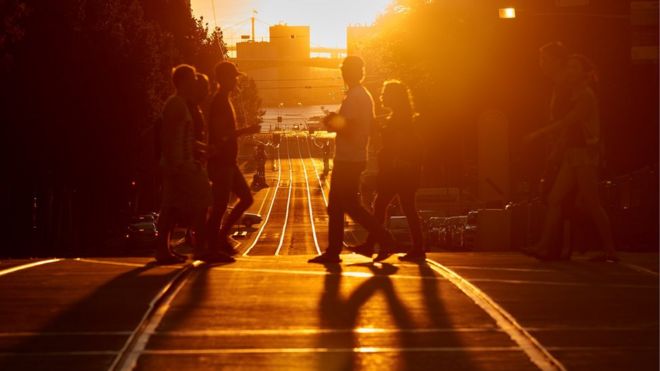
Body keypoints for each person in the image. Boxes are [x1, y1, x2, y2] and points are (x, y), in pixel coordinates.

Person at [526, 53, 618, 262]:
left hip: (585, 156)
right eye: (569, 67)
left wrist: (538, 134)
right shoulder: (573, 94)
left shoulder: (586, 95)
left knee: (593, 203)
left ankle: (611, 250)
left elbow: (569, 121)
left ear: (584, 73)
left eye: (575, 68)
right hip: (572, 155)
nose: (570, 71)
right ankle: (543, 245)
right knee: (554, 198)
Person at [308, 56, 396, 264]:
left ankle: (383, 239)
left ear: (349, 73)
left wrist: (331, 122)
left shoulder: (356, 96)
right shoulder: (362, 96)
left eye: (346, 70)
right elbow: (362, 125)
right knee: (338, 205)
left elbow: (352, 126)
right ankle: (335, 250)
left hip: (349, 158)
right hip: (353, 156)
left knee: (347, 204)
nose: (344, 74)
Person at [352, 80, 426, 262]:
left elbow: (397, 141)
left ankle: (378, 244)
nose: (382, 96)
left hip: (397, 171)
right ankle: (414, 247)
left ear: (394, 97)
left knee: (384, 205)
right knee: (402, 207)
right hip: (403, 171)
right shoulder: (402, 116)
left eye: (385, 94)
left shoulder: (400, 118)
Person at [156, 65, 215, 264]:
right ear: (182, 82)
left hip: (177, 163)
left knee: (170, 207)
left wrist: (203, 147)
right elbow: (168, 137)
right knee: (204, 198)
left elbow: (183, 138)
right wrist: (176, 165)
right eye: (191, 79)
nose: (195, 82)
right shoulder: (176, 105)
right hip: (182, 165)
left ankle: (163, 250)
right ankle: (200, 248)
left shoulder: (179, 103)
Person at [207, 61, 261, 256]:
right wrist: (248, 130)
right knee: (220, 205)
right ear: (223, 79)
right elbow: (223, 134)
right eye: (233, 77)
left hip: (228, 161)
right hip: (221, 161)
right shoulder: (220, 101)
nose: (236, 81)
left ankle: (220, 238)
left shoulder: (223, 99)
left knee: (244, 198)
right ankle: (213, 245)